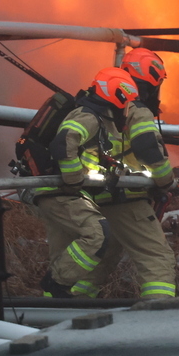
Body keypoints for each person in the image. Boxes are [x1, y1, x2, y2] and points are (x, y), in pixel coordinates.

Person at [70, 54, 179, 301]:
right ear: (150, 83)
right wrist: (166, 180)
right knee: (156, 257)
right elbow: (147, 148)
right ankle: (160, 313)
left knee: (100, 261)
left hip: (97, 196)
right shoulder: (137, 109)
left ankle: (72, 306)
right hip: (126, 199)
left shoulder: (102, 105)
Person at [32, 67, 137, 298]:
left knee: (62, 254)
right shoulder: (88, 116)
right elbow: (64, 143)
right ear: (117, 97)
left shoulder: (94, 117)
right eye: (127, 101)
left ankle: (51, 310)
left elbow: (82, 153)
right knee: (97, 233)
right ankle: (56, 285)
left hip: (53, 191)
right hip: (60, 191)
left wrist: (104, 170)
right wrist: (73, 180)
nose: (127, 108)